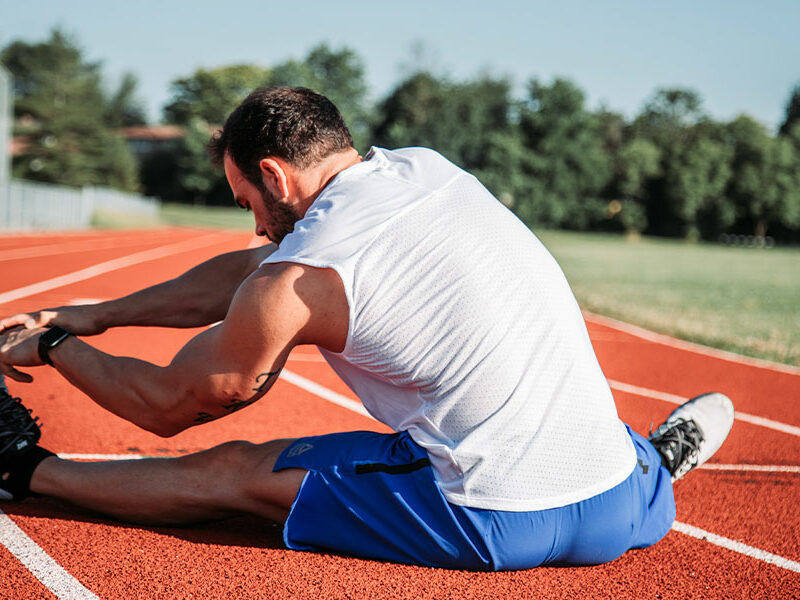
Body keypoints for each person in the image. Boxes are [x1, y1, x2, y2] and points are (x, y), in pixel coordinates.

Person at [0, 87, 734, 570]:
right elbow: (253, 267)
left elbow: (167, 407)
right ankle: (656, 461)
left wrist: (60, 346)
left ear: (274, 176)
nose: (253, 223)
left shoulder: (295, 281)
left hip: (488, 518)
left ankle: (23, 470)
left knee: (234, 471)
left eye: (245, 198)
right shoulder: (426, 171)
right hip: (617, 504)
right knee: (550, 397)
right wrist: (96, 313)